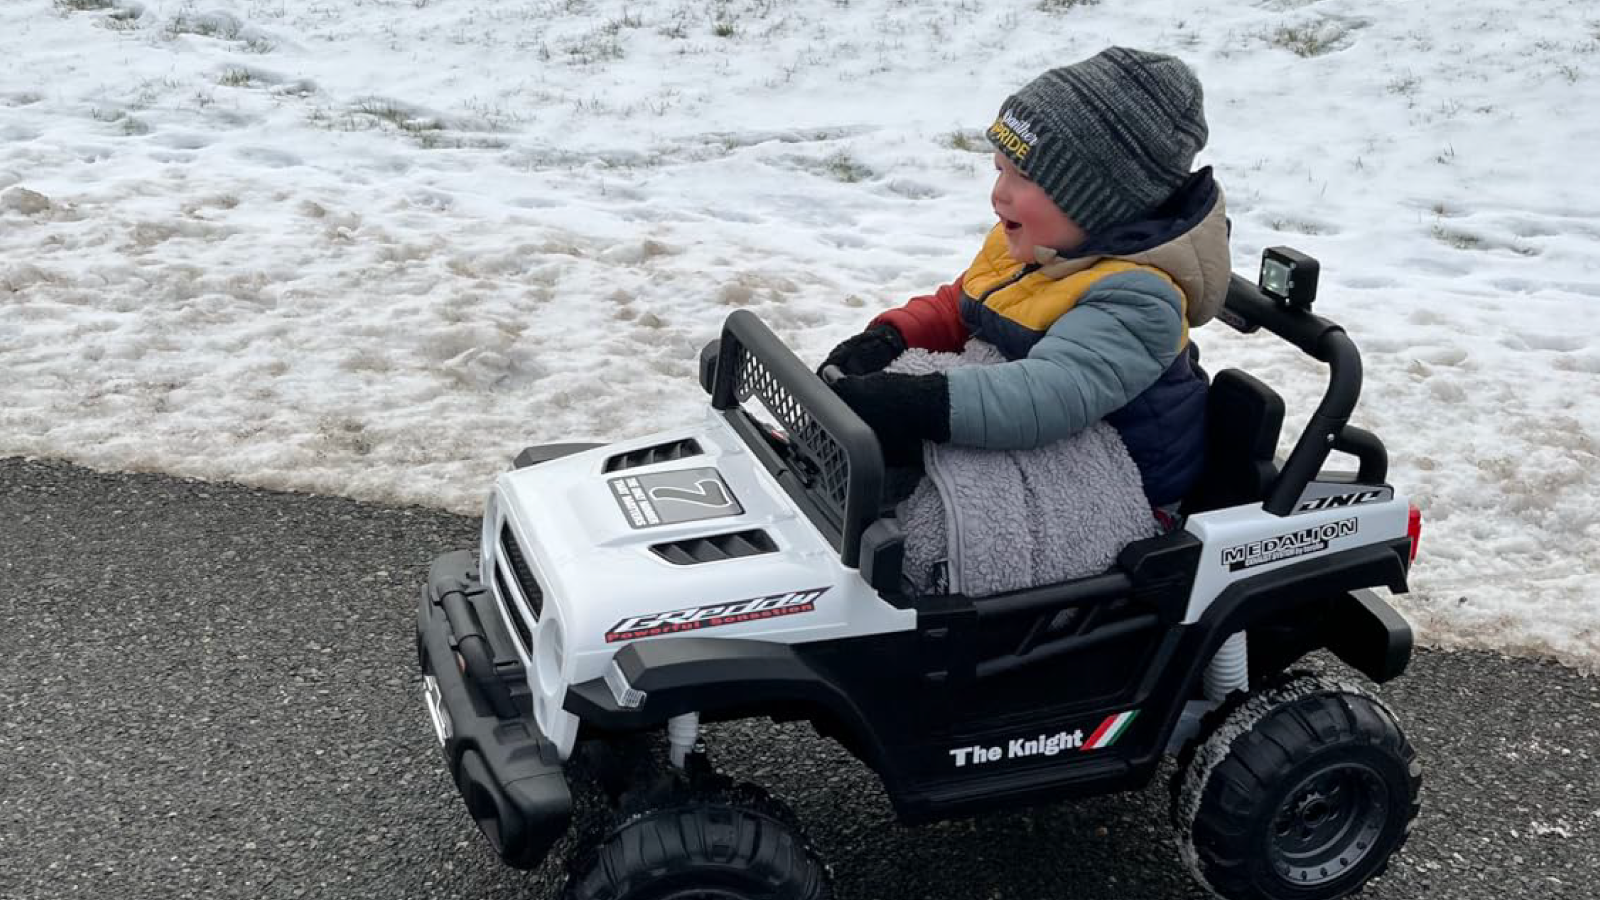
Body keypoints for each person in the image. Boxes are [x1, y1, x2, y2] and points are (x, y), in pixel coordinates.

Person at [820, 46, 1232, 518]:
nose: (999, 195)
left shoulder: (1139, 300)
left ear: (1095, 204)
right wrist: (892, 336)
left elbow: (1045, 396)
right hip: (1045, 446)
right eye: (999, 169)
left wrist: (919, 403)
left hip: (1119, 488)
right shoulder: (1033, 244)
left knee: (931, 511)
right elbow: (963, 303)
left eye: (1023, 177)